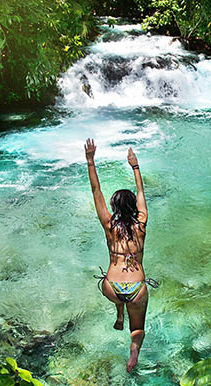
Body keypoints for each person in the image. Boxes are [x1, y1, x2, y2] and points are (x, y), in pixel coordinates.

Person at [84, 138, 149, 373]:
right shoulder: (141, 224)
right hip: (136, 288)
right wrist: (135, 166)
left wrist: (90, 161)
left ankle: (118, 312)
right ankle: (134, 352)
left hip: (111, 286)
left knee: (118, 297)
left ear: (114, 206)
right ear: (133, 207)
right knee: (138, 328)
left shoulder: (109, 224)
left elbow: (95, 190)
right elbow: (141, 191)